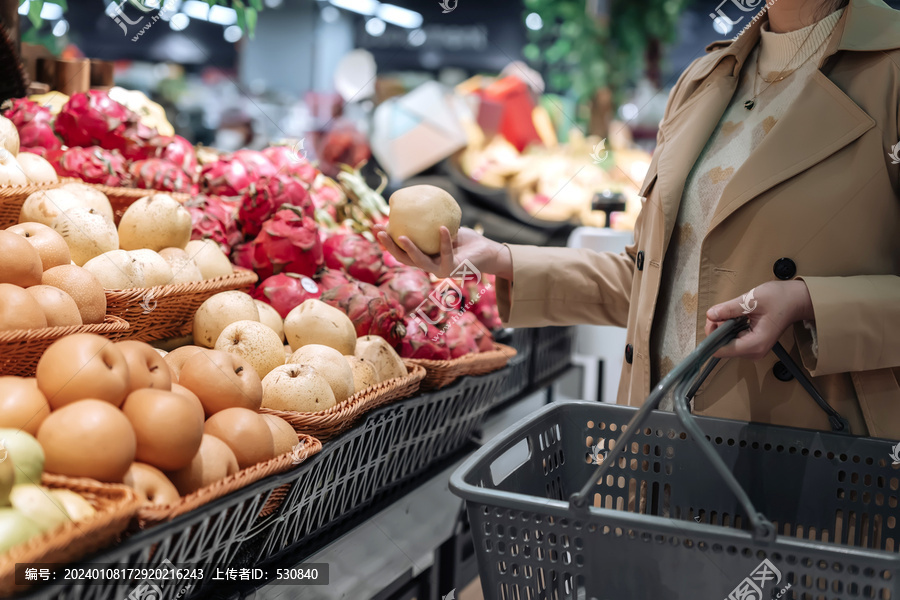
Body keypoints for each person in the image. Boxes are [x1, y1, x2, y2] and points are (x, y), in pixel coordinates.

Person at [377, 0, 900, 439]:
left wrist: (808, 302)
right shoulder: (704, 81)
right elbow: (656, 287)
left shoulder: (891, 73)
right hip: (661, 439)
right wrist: (502, 259)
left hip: (811, 455)